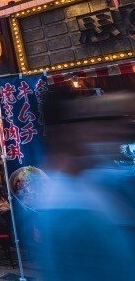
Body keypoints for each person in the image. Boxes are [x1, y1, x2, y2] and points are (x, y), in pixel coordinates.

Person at [32, 91, 135, 280]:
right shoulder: (67, 210)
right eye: (105, 121)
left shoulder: (98, 180)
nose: (123, 130)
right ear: (64, 133)